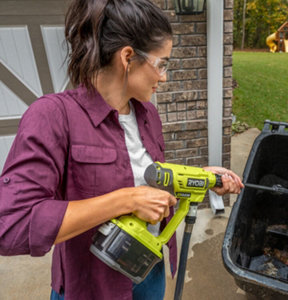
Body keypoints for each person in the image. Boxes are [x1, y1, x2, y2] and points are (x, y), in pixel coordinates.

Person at [0, 0, 244, 299]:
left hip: (148, 270)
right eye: (161, 63)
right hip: (92, 285)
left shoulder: (148, 114)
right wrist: (124, 200)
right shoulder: (52, 115)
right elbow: (12, 224)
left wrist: (201, 177)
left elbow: (148, 178)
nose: (164, 77)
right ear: (127, 57)